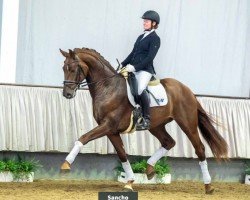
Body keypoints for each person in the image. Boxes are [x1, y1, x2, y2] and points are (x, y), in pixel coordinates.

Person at [120, 10, 161, 130]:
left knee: (140, 88)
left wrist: (135, 67)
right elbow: (133, 53)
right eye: (144, 21)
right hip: (133, 68)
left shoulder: (155, 39)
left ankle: (146, 119)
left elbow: (149, 58)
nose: (144, 23)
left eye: (147, 21)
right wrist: (123, 64)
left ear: (154, 23)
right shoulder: (140, 37)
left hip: (145, 70)